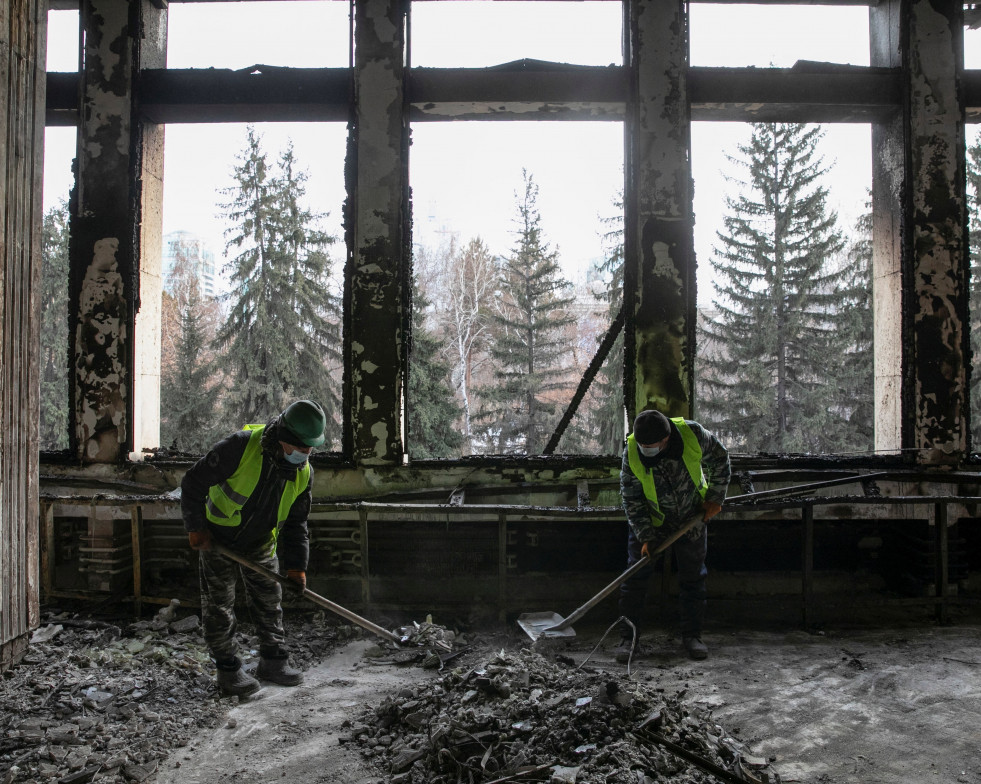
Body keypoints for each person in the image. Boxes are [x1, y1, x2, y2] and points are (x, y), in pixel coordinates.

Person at [181, 399, 327, 697]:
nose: (306, 455)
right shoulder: (240, 447)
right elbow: (192, 482)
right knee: (219, 605)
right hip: (219, 537)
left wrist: (297, 567)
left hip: (261, 540)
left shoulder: (303, 472)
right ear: (283, 438)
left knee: (270, 600)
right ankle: (229, 670)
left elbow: (298, 523)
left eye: (310, 450)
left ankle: (273, 662)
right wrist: (196, 528)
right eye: (301, 449)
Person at [616, 409, 730, 662]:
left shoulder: (693, 434)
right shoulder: (632, 451)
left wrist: (714, 498)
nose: (645, 448)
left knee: (693, 578)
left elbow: (720, 459)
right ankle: (628, 638)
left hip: (691, 520)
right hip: (650, 523)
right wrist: (646, 535)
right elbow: (631, 496)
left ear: (666, 439)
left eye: (651, 445)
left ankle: (692, 636)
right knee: (634, 580)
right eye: (642, 444)